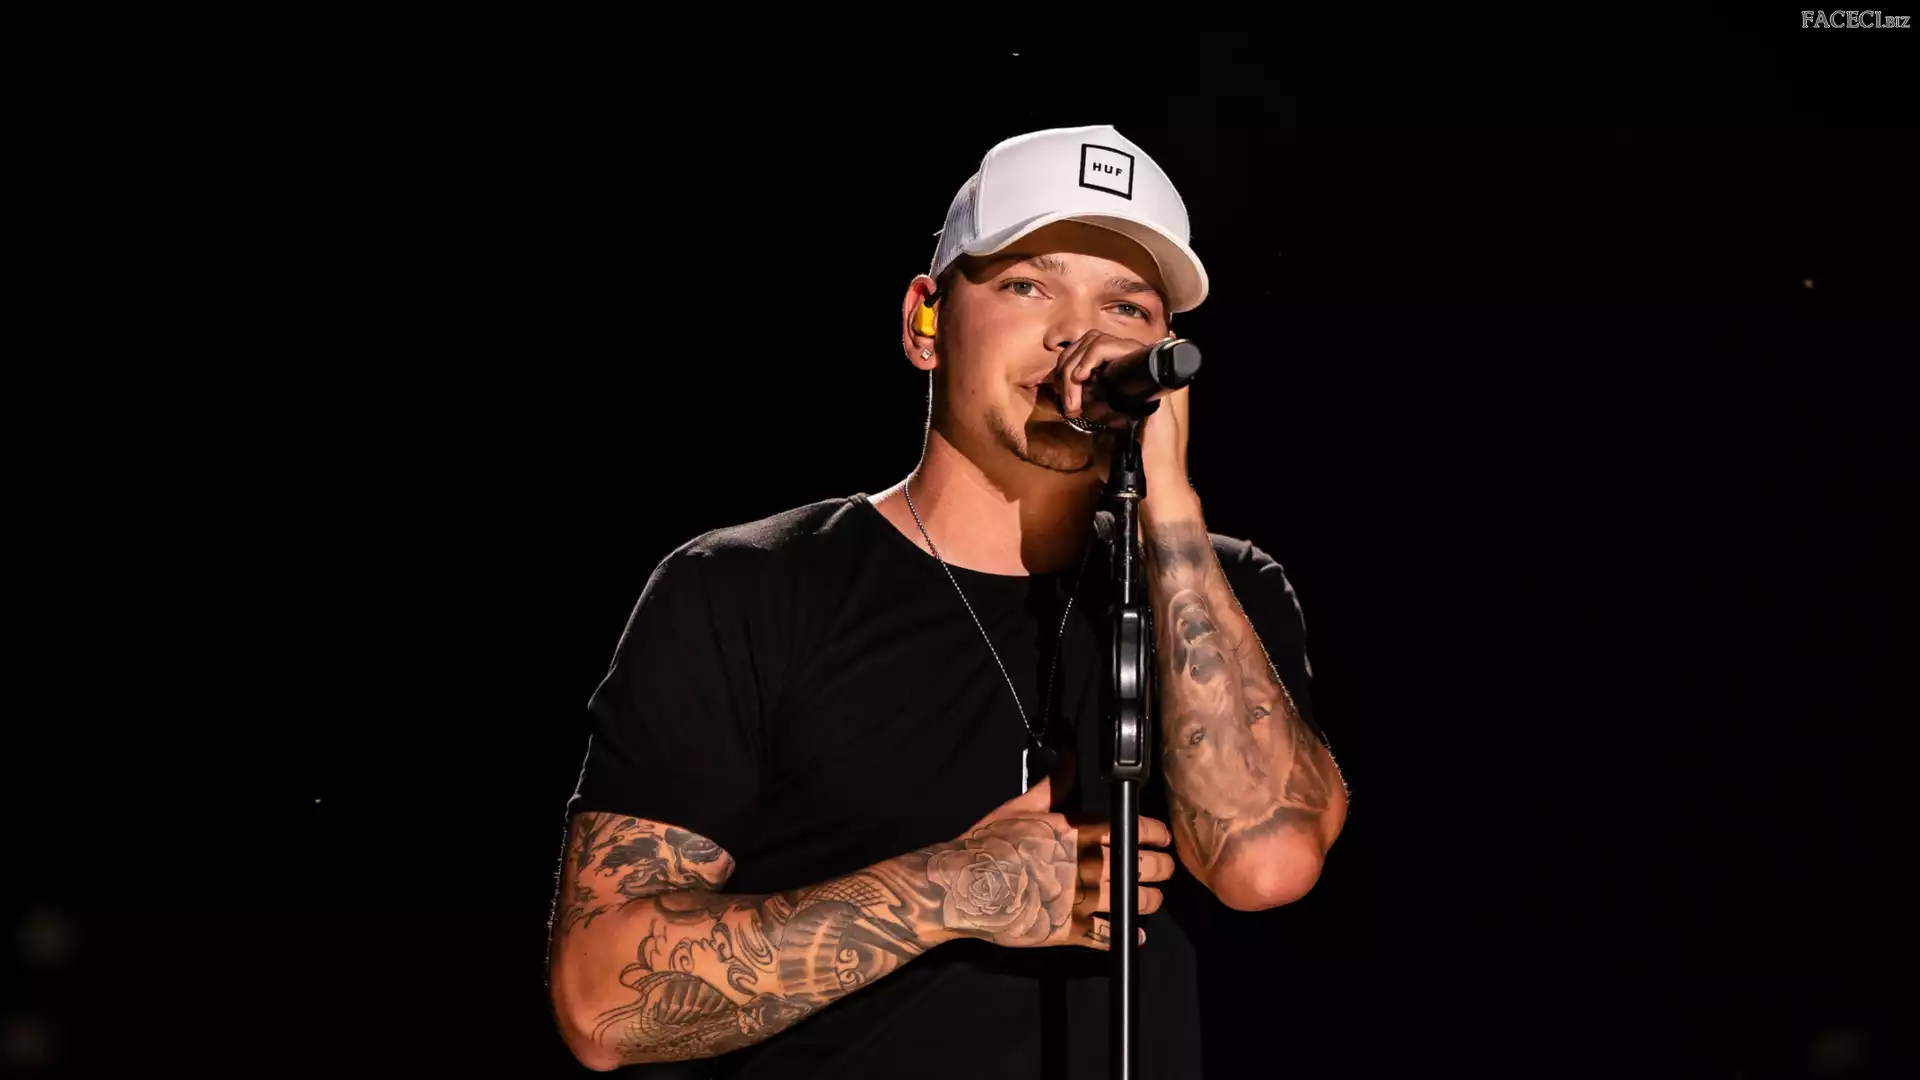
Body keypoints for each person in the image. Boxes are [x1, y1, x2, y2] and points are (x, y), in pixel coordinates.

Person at [545, 123, 1348, 1078]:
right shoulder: (745, 588)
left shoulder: (1220, 588)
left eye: (1126, 306)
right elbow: (602, 1006)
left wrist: (1168, 504)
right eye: (1028, 286)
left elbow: (1266, 866)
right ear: (925, 322)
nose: (1078, 336)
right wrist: (958, 888)